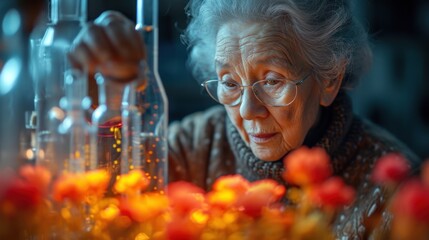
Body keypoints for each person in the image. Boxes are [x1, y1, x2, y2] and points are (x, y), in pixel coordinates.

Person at [69, 0, 421, 238]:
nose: (248, 110)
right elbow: (101, 211)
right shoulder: (192, 147)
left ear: (329, 79)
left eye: (272, 81)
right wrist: (111, 109)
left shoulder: (394, 188)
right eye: (229, 83)